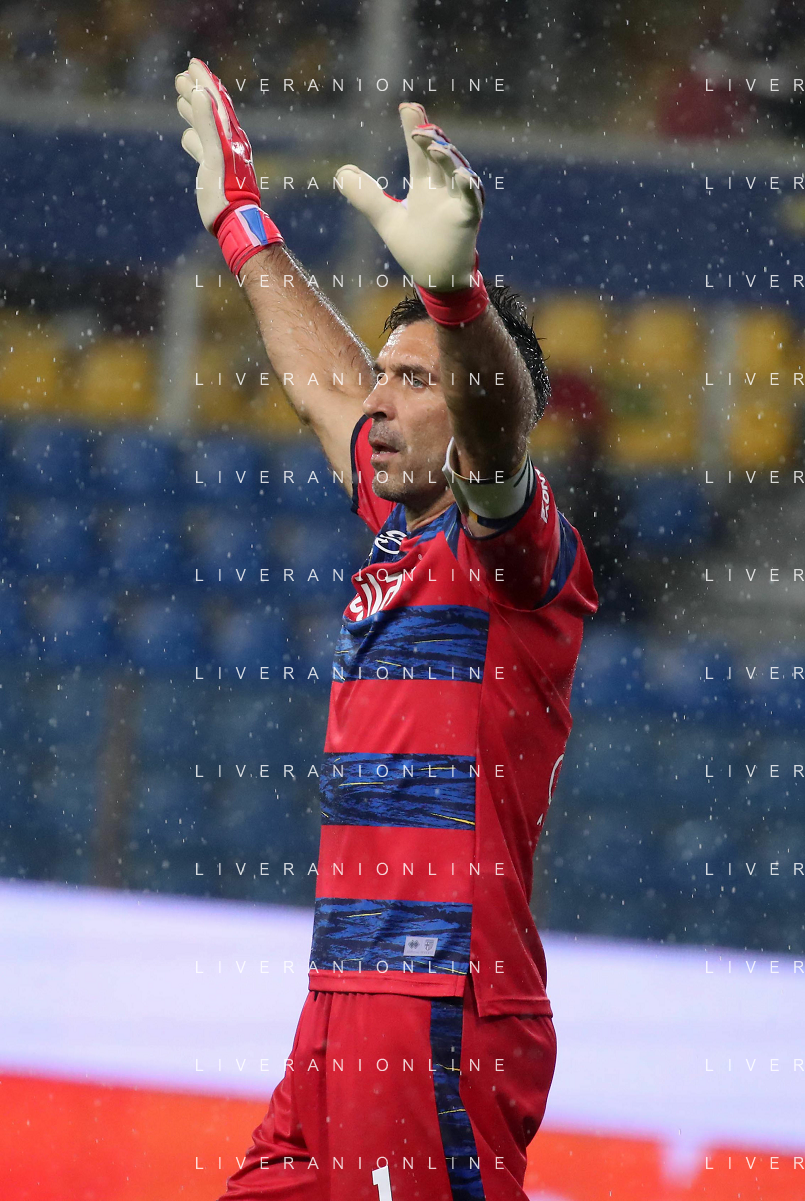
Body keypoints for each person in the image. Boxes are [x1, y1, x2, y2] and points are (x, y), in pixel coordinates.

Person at [176, 59, 598, 1201]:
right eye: (383, 374)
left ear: (472, 414)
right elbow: (326, 388)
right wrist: (243, 225)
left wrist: (456, 299)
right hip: (342, 993)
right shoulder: (400, 532)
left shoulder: (513, 557)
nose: (375, 398)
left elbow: (498, 445)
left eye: (412, 381)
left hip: (438, 995)